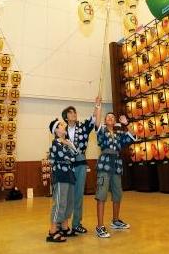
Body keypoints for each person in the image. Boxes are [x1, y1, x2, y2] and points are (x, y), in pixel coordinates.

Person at [61, 97, 100, 234]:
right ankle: (63, 224)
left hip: (81, 163)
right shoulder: (61, 131)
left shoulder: (83, 127)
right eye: (71, 113)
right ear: (66, 117)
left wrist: (97, 105)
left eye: (75, 112)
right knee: (65, 195)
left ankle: (76, 223)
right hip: (66, 165)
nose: (74, 114)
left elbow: (94, 119)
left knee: (78, 195)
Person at [94, 112, 136, 238]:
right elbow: (96, 122)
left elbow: (133, 135)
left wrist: (126, 123)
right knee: (101, 195)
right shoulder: (101, 131)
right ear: (105, 121)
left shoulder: (119, 134)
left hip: (116, 165)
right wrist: (98, 107)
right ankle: (100, 226)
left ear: (115, 120)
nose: (110, 118)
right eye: (108, 117)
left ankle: (115, 220)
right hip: (104, 165)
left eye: (112, 117)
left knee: (117, 194)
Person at [46, 118, 78, 243]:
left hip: (69, 175)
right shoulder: (56, 144)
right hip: (60, 176)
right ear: (56, 130)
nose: (64, 126)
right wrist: (69, 146)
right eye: (61, 125)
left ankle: (64, 227)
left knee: (68, 202)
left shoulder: (65, 142)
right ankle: (53, 231)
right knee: (59, 203)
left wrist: (70, 146)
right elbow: (68, 156)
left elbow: (75, 156)